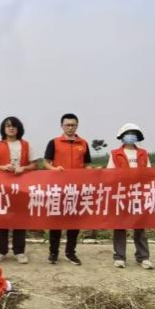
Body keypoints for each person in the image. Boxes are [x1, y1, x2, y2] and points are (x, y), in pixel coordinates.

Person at [0, 116, 38, 264]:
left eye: (14, 126)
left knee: (20, 220)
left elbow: (35, 165)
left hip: (21, 188)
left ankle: (19, 251)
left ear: (19, 129)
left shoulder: (26, 145)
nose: (11, 128)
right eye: (8, 126)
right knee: (1, 219)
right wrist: (2, 167)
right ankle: (1, 250)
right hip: (2, 188)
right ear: (4, 129)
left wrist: (24, 168)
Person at [43, 113, 92, 266]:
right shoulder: (54, 142)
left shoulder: (83, 143)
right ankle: (53, 253)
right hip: (58, 188)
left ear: (77, 126)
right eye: (67, 125)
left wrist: (93, 172)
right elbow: (46, 162)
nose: (70, 127)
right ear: (62, 126)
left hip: (77, 189)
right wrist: (54, 169)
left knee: (74, 222)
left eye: (73, 125)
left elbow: (87, 165)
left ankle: (70, 253)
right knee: (56, 222)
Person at [108, 123, 154, 270]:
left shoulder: (143, 153)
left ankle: (143, 257)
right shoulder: (115, 153)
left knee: (139, 226)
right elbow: (110, 173)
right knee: (120, 226)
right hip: (121, 193)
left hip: (139, 193)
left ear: (137, 137)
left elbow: (149, 172)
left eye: (134, 133)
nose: (131, 136)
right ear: (122, 136)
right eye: (128, 133)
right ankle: (119, 257)